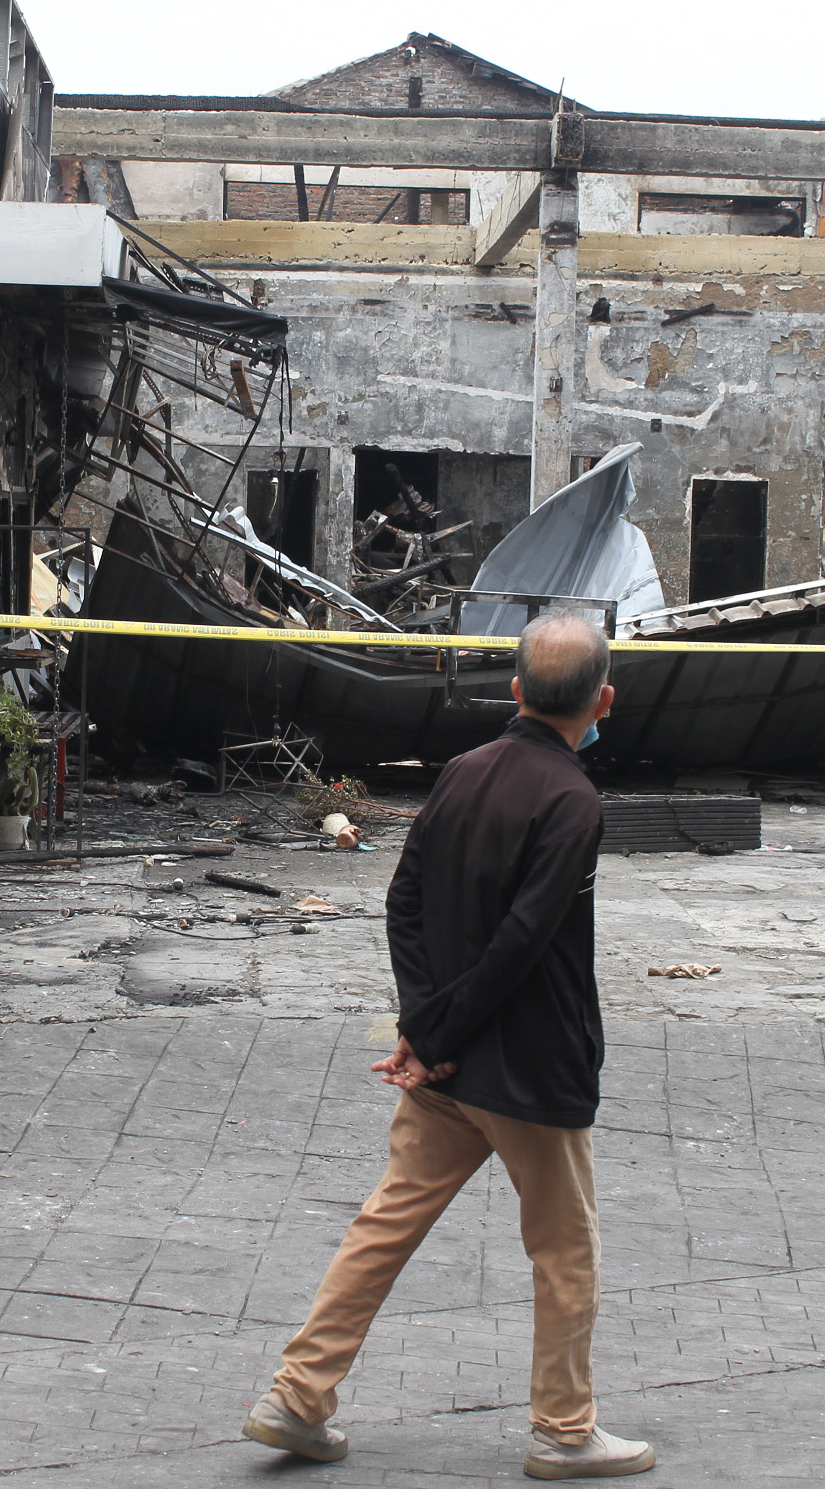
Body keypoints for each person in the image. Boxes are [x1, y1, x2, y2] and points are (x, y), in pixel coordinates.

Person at [242, 611, 654, 1480]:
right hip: (531, 1069)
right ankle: (565, 1430)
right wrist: (433, 1035)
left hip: (445, 1068)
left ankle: (297, 1396)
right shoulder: (574, 802)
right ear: (603, 699)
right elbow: (523, 943)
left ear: (515, 690)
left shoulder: (463, 773)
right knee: (565, 1253)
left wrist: (422, 1031)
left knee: (384, 1225)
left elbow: (406, 906)